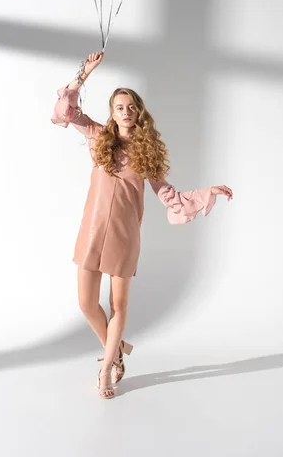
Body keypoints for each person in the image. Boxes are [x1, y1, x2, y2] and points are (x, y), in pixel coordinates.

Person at [51, 51, 233, 399]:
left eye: (131, 106)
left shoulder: (147, 153)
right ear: (112, 112)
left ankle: (107, 368)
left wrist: (208, 191)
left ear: (139, 111)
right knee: (87, 304)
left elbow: (168, 194)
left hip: (124, 235)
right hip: (91, 229)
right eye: (120, 106)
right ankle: (116, 348)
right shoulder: (97, 135)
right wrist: (83, 74)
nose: (126, 111)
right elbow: (64, 112)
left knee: (119, 306)